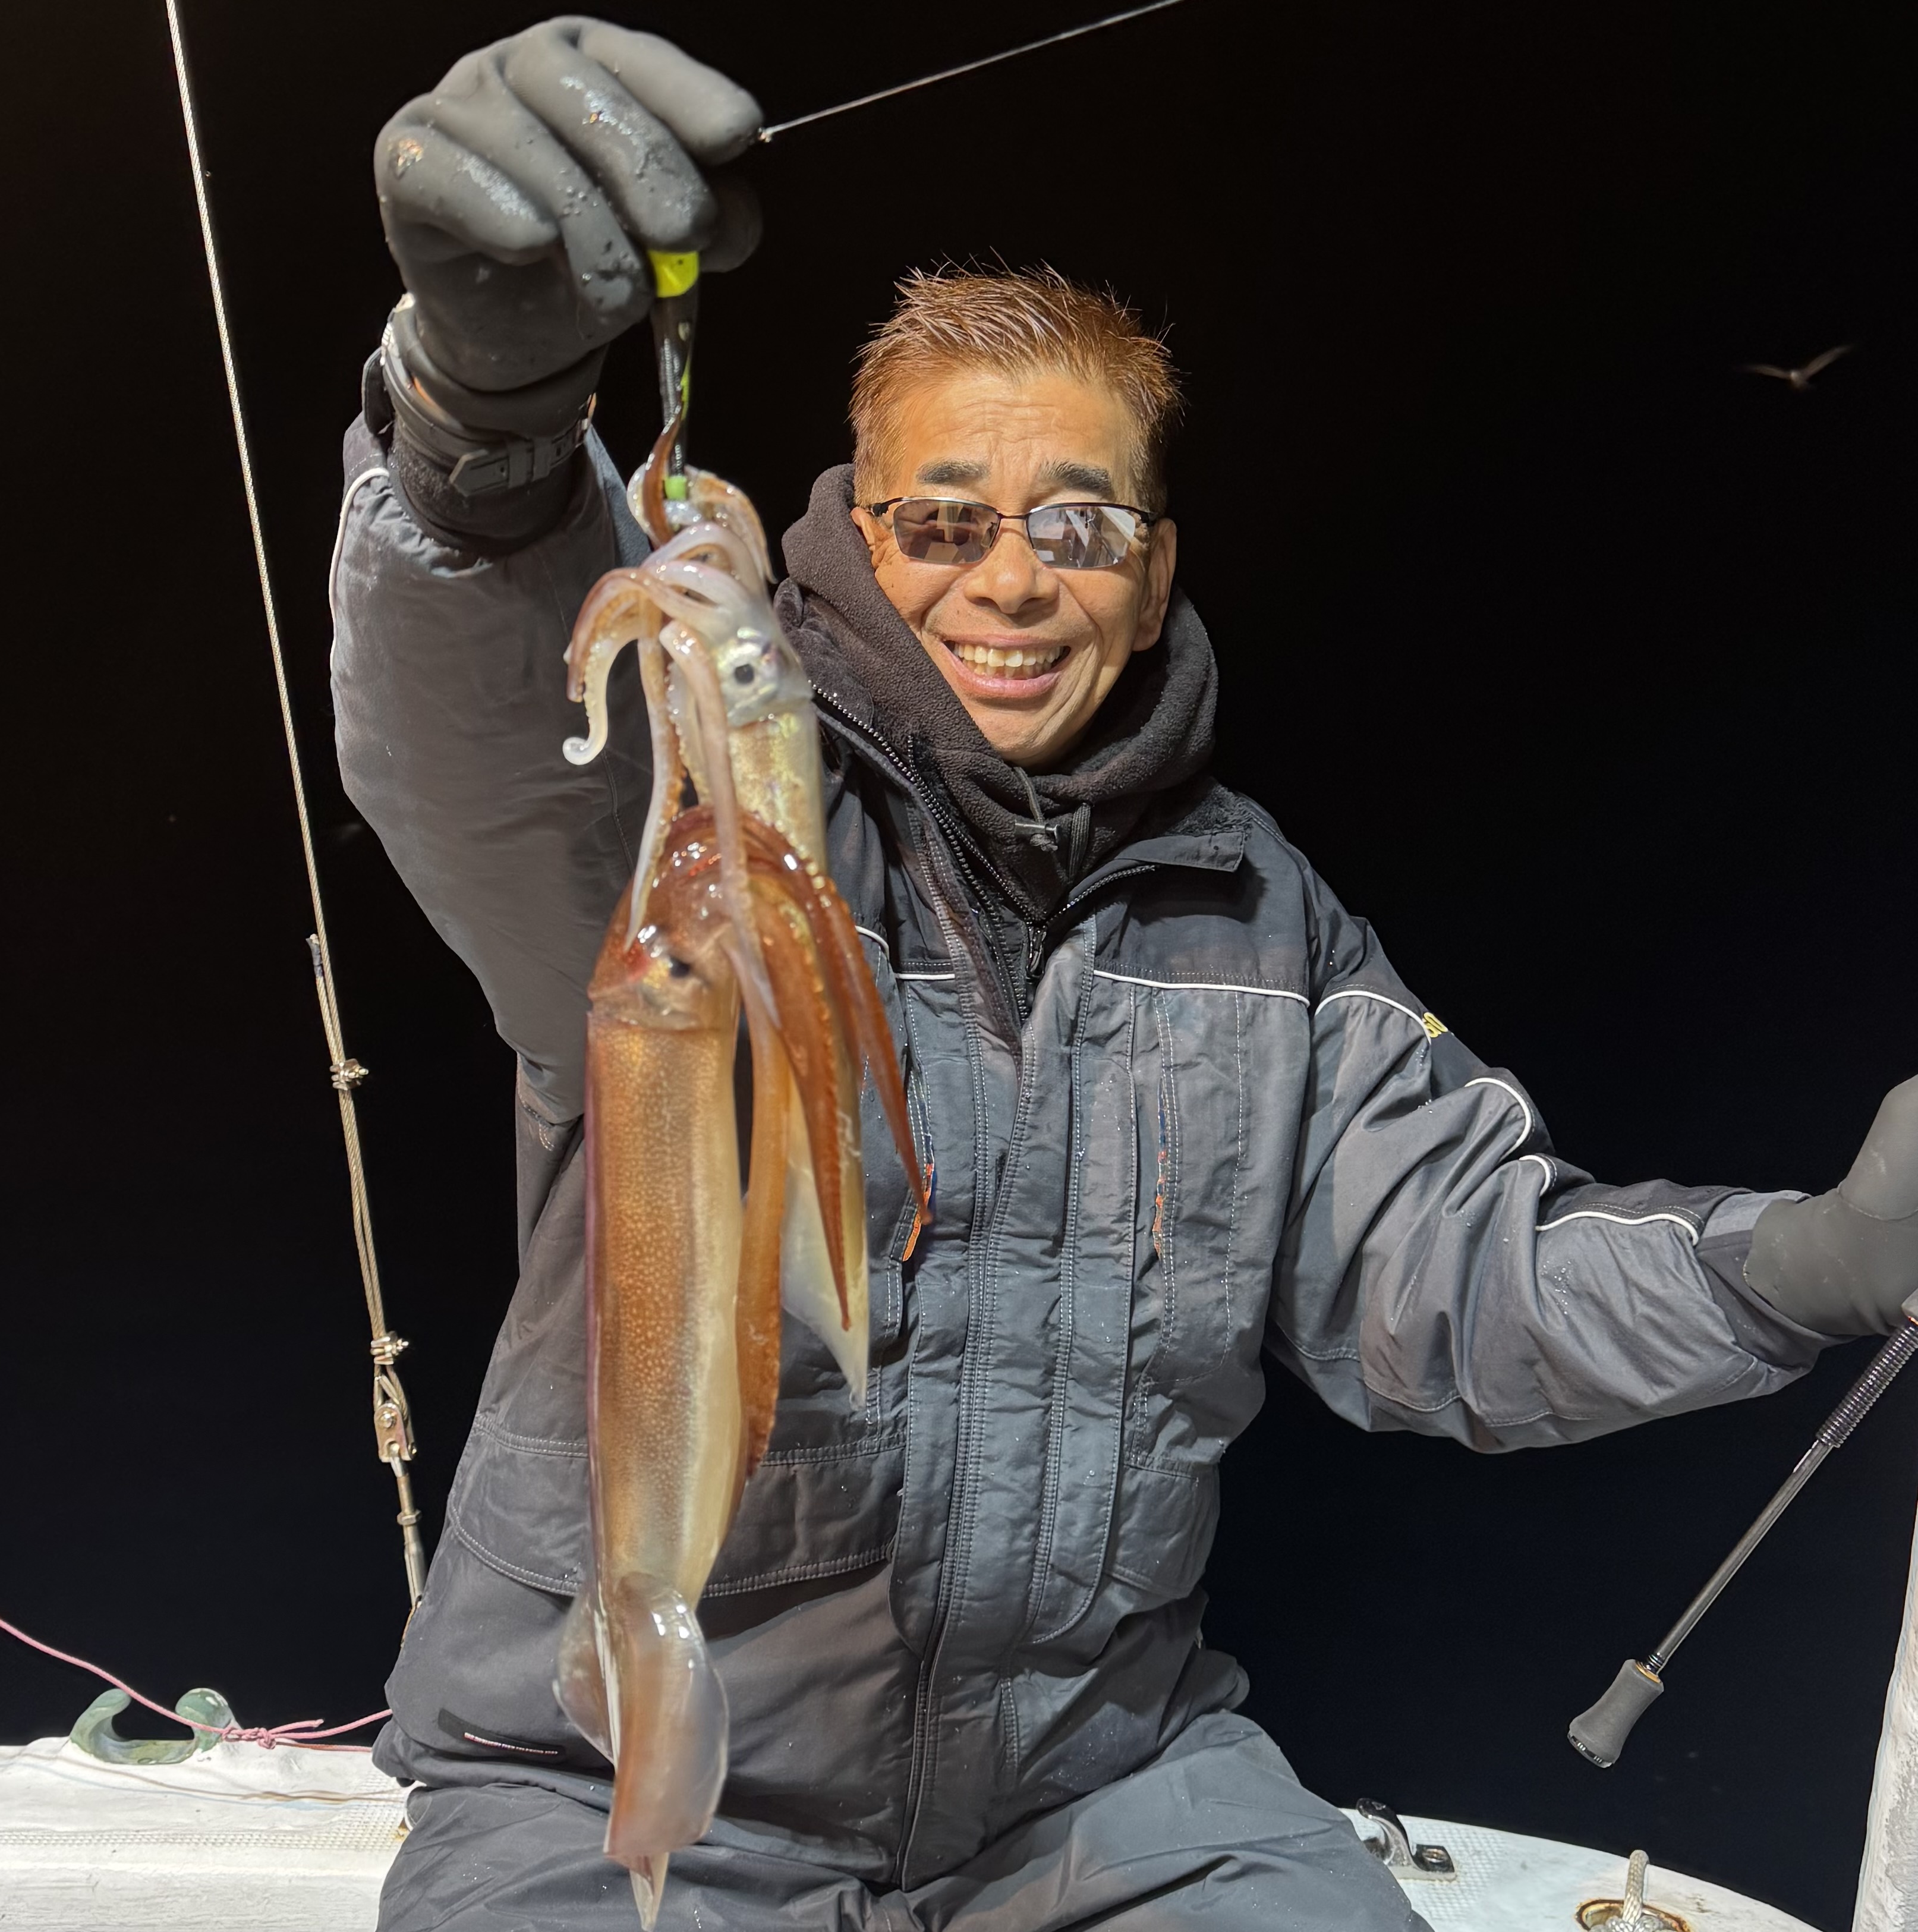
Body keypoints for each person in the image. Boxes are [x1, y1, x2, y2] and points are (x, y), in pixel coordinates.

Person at [331, 21, 1918, 1930]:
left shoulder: (1259, 926)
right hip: (608, 1767)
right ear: (858, 536)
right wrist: (479, 429)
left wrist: (1802, 1259)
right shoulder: (703, 809)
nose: (1009, 580)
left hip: (1093, 1782)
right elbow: (493, 747)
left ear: (1153, 575)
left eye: (1075, 525)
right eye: (943, 521)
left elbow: (1465, 1276)